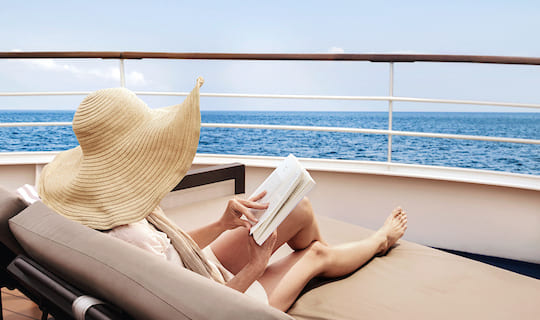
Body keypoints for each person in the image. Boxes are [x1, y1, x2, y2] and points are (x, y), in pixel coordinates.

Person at [37, 77, 407, 312]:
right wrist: (257, 266)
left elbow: (166, 247)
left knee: (299, 207)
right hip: (220, 297)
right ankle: (378, 242)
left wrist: (221, 223)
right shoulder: (128, 238)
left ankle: (321, 258)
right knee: (315, 254)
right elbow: (197, 309)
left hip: (194, 269)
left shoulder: (105, 212)